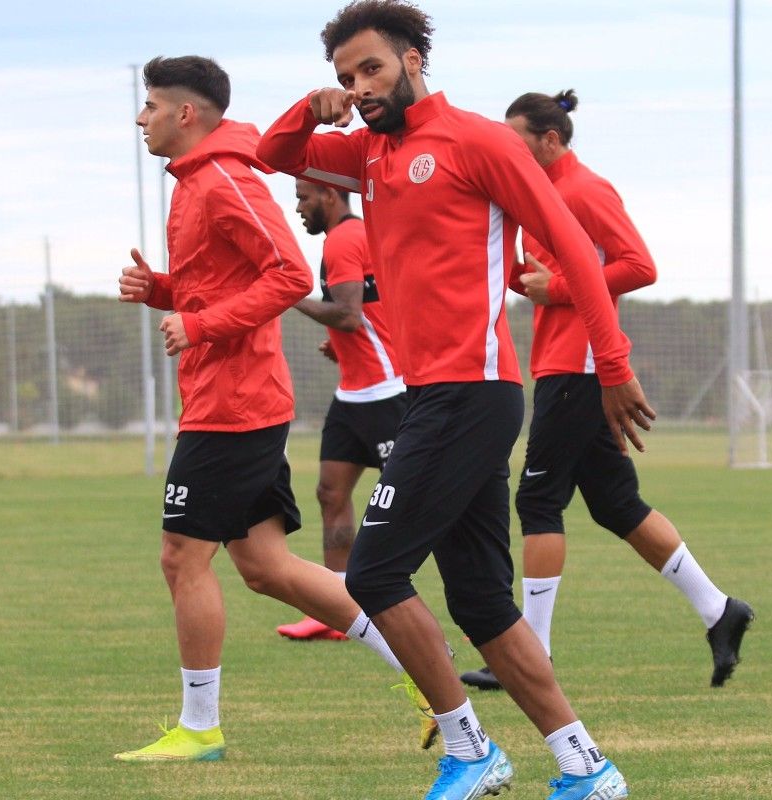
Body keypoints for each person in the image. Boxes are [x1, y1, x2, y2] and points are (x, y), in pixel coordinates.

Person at [257, 4, 655, 798]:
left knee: (374, 574)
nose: (360, 88)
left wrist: (612, 363)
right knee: (480, 601)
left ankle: (470, 750)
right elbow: (274, 153)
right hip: (431, 397)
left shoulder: (479, 142)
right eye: (346, 77)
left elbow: (576, 250)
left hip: (472, 393)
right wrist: (312, 107)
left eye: (372, 69)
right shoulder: (367, 151)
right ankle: (586, 767)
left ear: (413, 60)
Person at [113, 54, 429, 763]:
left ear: (186, 113)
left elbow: (287, 273)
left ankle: (200, 729)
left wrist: (200, 325)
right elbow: (219, 284)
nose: (141, 118)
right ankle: (423, 666)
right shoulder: (195, 181)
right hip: (226, 398)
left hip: (234, 404)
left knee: (181, 558)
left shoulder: (225, 177)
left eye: (151, 105)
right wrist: (160, 290)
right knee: (265, 567)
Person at [458, 89, 754, 695]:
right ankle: (720, 610)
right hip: (564, 364)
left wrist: (558, 288)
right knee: (616, 505)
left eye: (517, 141)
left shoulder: (586, 190)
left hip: (583, 366)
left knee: (538, 502)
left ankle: (530, 655)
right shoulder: (536, 195)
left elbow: (639, 265)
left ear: (551, 140)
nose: (507, 151)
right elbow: (541, 276)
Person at [275, 180, 409, 644]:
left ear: (330, 196)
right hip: (353, 396)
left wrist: (289, 296)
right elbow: (366, 310)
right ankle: (338, 612)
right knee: (330, 494)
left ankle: (480, 606)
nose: (298, 207)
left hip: (389, 393)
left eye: (304, 197)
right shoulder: (349, 237)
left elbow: (349, 315)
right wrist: (341, 344)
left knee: (416, 503)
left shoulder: (344, 238)